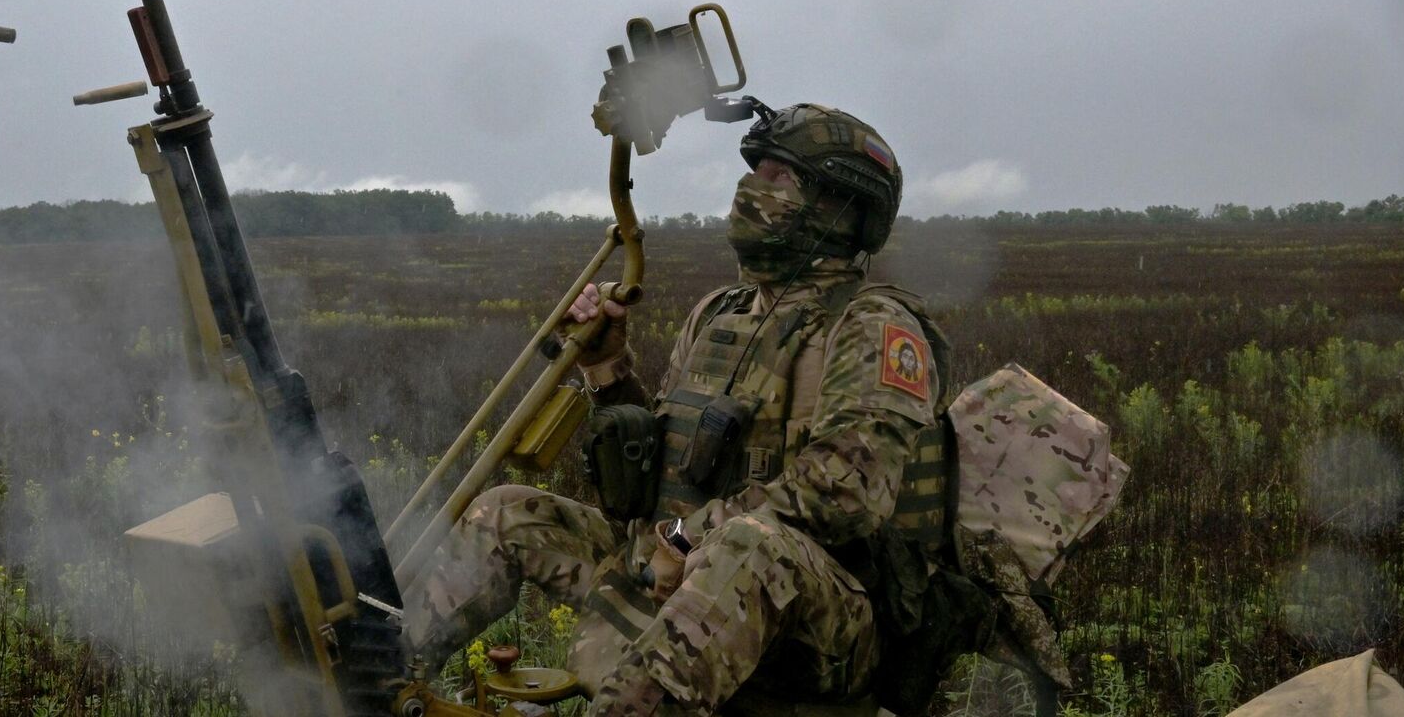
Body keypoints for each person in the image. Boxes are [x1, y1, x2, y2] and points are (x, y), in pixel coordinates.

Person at [405, 103, 978, 716]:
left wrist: (684, 538)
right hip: (674, 568)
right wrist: (606, 366)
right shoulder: (720, 312)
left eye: (780, 177)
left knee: (753, 547)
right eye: (754, 170)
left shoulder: (874, 327)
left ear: (842, 205)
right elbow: (665, 469)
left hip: (818, 617)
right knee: (503, 513)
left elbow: (844, 497)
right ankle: (380, 684)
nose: (753, 188)